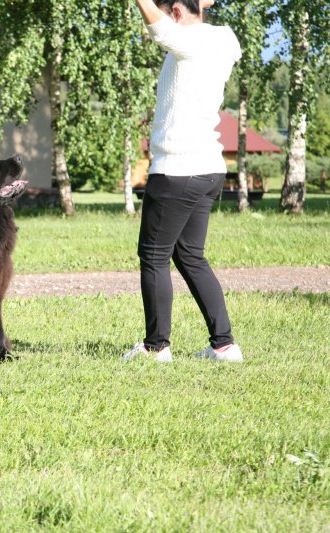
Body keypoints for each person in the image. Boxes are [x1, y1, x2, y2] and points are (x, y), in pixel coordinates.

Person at [123, 0, 243, 363]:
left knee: (154, 256)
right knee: (190, 255)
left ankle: (155, 347)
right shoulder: (222, 40)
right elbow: (174, 28)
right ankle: (224, 345)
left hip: (177, 168)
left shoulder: (191, 43)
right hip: (207, 167)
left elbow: (162, 31)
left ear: (176, 11)